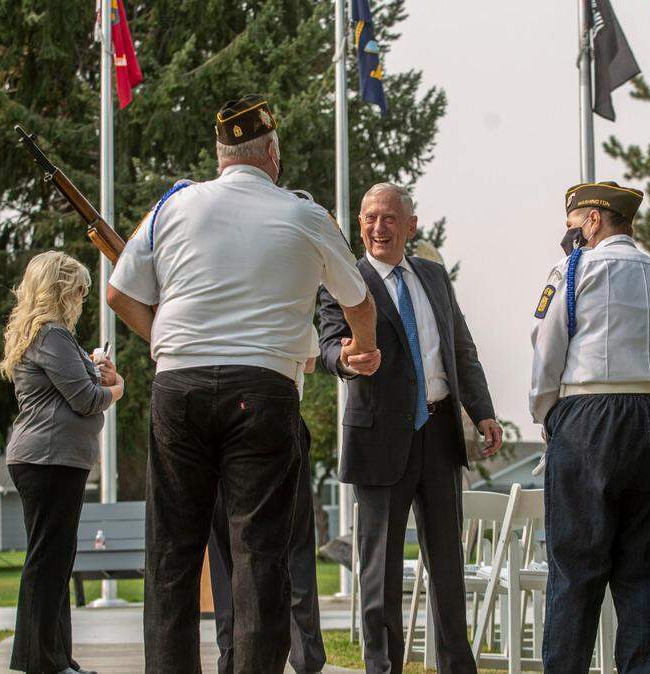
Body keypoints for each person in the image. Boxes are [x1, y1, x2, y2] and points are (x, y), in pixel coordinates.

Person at [106, 94, 381, 673]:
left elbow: (119, 292)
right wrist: (364, 350)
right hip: (262, 388)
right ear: (272, 154)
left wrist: (165, 342)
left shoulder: (174, 206)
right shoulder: (306, 215)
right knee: (259, 554)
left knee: (172, 554)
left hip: (178, 384)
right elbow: (358, 300)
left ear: (219, 153)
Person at [317, 182, 502, 674]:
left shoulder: (434, 278)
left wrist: (482, 409)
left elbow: (461, 348)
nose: (378, 228)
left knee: (448, 568)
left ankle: (456, 668)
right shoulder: (345, 279)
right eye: (369, 218)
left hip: (440, 435)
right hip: (379, 440)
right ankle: (383, 669)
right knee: (378, 574)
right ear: (359, 224)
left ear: (410, 225)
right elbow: (329, 343)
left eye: (389, 218)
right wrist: (349, 363)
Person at [530, 181, 650, 673]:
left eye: (574, 222)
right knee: (644, 571)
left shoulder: (573, 269)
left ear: (595, 220)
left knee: (576, 567)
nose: (570, 232)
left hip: (593, 415)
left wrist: (547, 415)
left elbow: (546, 347)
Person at [0, 251, 125, 674]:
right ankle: (42, 662)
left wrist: (91, 369)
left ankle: (54, 658)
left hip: (48, 458)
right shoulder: (51, 334)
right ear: (60, 289)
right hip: (49, 458)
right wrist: (115, 389)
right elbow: (86, 400)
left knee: (53, 560)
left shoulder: (43, 336)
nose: (83, 299)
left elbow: (68, 389)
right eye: (79, 290)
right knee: (49, 561)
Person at [206, 330, 326, 674]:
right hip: (276, 414)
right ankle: (306, 654)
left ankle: (231, 654)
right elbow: (311, 359)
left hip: (217, 420)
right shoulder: (283, 289)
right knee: (295, 543)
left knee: (226, 548)